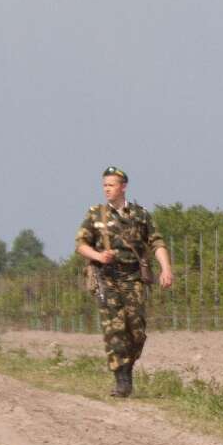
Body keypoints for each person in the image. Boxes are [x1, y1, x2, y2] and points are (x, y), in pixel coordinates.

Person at [73, 167, 175, 396]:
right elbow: (81, 244)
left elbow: (157, 243)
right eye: (104, 185)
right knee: (115, 328)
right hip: (106, 277)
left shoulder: (140, 215)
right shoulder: (95, 215)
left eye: (111, 185)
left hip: (133, 278)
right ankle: (122, 380)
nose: (107, 189)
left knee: (136, 331)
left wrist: (166, 269)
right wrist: (98, 256)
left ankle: (126, 366)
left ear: (123, 187)